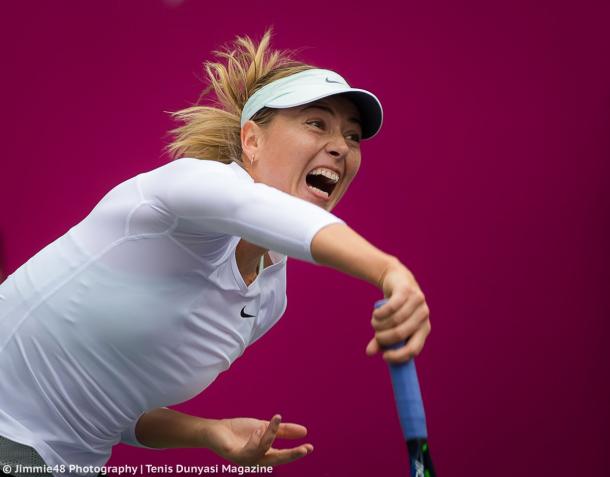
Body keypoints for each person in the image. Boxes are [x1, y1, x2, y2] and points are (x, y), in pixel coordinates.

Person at [0, 28, 431, 477]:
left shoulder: (268, 301)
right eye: (316, 123)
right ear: (252, 141)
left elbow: (110, 409)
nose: (341, 146)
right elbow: (263, 211)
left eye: (353, 136)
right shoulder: (188, 187)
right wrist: (390, 272)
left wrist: (209, 432)